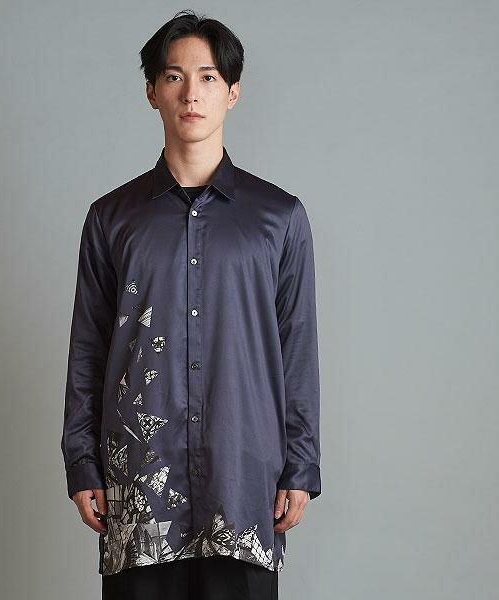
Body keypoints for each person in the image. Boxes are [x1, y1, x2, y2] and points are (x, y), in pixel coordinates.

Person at [61, 9, 321, 600]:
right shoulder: (112, 219)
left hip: (244, 482)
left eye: (208, 77)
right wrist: (82, 461)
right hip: (139, 483)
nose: (191, 94)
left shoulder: (279, 218)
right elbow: (88, 348)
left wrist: (301, 464)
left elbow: (297, 348)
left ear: (233, 91)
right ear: (152, 92)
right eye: (174, 77)